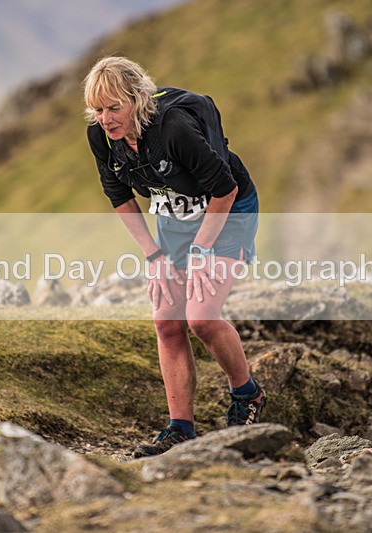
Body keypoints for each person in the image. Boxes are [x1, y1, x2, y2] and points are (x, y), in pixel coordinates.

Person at [83, 56, 265, 457]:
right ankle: (180, 428)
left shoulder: (173, 129)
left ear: (137, 99)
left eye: (114, 107)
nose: (106, 119)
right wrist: (153, 255)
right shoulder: (101, 136)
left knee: (201, 316)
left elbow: (225, 188)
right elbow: (120, 197)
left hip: (227, 210)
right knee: (167, 320)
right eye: (98, 109)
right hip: (175, 218)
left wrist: (202, 251)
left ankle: (247, 395)